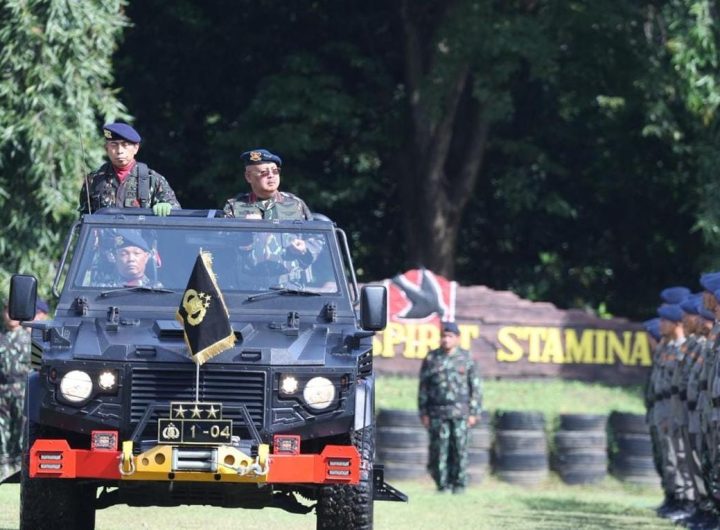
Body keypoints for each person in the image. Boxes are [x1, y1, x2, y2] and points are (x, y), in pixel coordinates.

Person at [418, 321, 482, 494]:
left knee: (460, 450)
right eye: (443, 336)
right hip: (437, 413)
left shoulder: (467, 358)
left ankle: (459, 485)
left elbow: (475, 387)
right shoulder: (432, 358)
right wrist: (424, 412)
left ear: (457, 338)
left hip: (461, 413)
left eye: (450, 336)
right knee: (439, 451)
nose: (446, 340)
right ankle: (442, 485)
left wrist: (474, 412)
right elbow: (423, 388)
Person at [79, 122, 181, 215]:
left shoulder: (153, 180)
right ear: (106, 149)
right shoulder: (94, 180)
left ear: (136, 148)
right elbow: (84, 218)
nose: (119, 151)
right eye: (114, 145)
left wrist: (168, 207)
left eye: (125, 145)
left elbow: (176, 213)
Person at [0, 299, 49, 480]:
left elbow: (39, 367)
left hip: (24, 390)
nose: (9, 315)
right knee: (2, 429)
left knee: (24, 429)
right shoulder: (1, 338)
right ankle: (4, 466)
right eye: (6, 311)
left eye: (12, 311)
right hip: (3, 391)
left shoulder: (31, 339)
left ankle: (21, 466)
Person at [223, 149, 312, 220]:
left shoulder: (295, 203)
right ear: (249, 177)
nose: (271, 175)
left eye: (275, 171)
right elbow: (224, 236)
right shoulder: (234, 206)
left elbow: (314, 236)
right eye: (264, 172)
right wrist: (248, 228)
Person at [96, 229, 160, 288]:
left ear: (146, 257)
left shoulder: (156, 289)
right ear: (116, 257)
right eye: (124, 254)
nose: (131, 259)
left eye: (136, 253)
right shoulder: (103, 287)